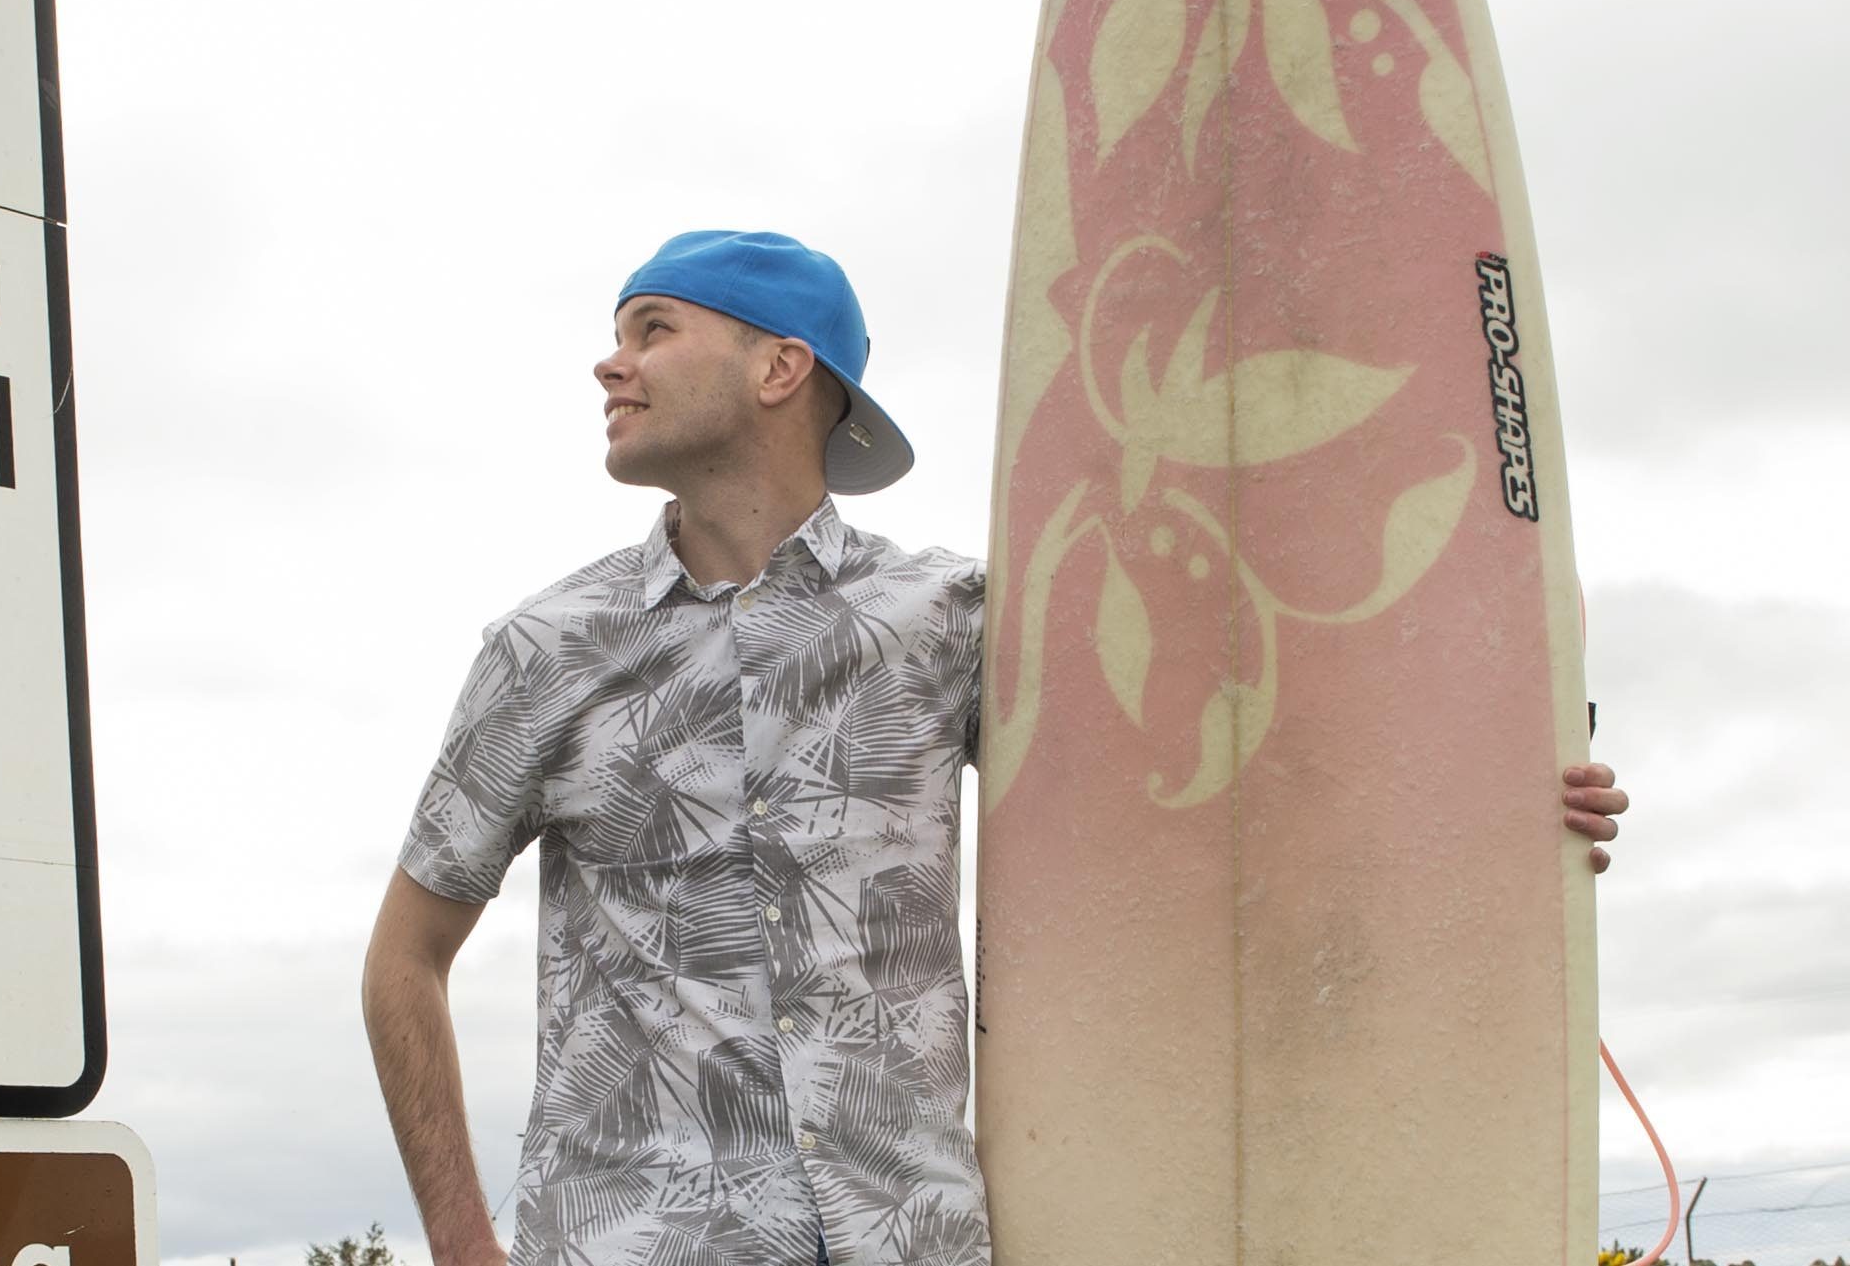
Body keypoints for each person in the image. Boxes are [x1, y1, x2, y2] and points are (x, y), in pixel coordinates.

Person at [360, 230, 1631, 1266]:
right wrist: (465, 1246)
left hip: (908, 1237)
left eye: (652, 328)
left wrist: (1496, 795)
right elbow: (404, 960)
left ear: (779, 367)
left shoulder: (957, 620)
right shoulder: (547, 650)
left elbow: (1219, 786)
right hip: (629, 1240)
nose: (609, 365)